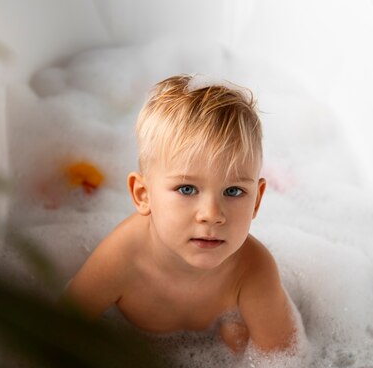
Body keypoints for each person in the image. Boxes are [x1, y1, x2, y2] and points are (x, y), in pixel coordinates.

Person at [65, 74, 298, 353]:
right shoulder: (123, 257)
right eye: (187, 189)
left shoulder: (253, 270)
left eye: (234, 191)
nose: (211, 215)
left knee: (237, 338)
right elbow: (56, 334)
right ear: (143, 195)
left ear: (257, 201)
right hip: (139, 358)